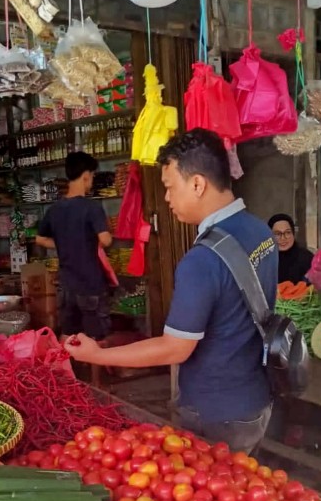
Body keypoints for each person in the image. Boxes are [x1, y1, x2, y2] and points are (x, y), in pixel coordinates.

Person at [65, 129, 278, 453]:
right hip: (256, 398)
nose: (166, 199)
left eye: (169, 187)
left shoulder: (202, 259)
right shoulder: (260, 230)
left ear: (197, 184)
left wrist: (98, 355)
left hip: (215, 412)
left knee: (215, 494)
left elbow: (175, 348)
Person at [35, 151, 113, 340]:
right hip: (91, 284)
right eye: (92, 176)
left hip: (66, 284)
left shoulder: (54, 209)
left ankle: (66, 370)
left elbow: (39, 239)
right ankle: (95, 370)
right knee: (97, 337)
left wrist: (64, 243)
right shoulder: (92, 208)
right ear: (86, 176)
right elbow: (105, 239)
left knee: (68, 334)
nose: (92, 180)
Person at [268, 213, 314, 284]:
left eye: (288, 233)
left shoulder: (307, 258)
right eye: (277, 234)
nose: (283, 238)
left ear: (293, 234)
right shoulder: (263, 261)